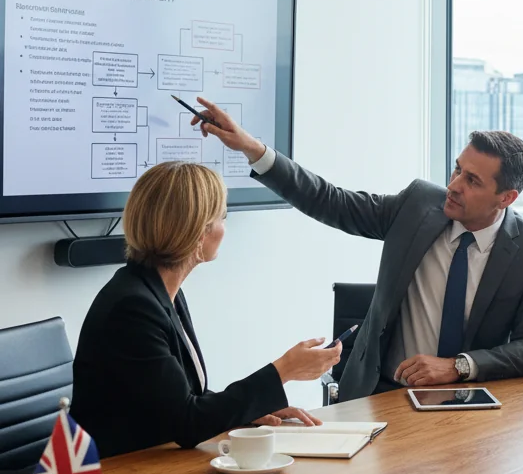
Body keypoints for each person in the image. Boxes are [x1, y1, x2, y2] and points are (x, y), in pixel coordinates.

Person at [193, 99, 523, 401]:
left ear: (506, 197)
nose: (454, 185)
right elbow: (332, 201)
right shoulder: (418, 205)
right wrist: (253, 149)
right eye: (457, 170)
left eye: (472, 180)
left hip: (470, 403)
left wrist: (457, 366)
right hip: (380, 394)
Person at [71, 162, 340, 458]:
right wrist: (283, 370)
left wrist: (252, 408)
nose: (225, 228)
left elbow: (181, 400)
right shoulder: (133, 309)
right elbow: (187, 424)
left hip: (152, 461)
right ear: (198, 232)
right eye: (222, 217)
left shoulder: (160, 292)